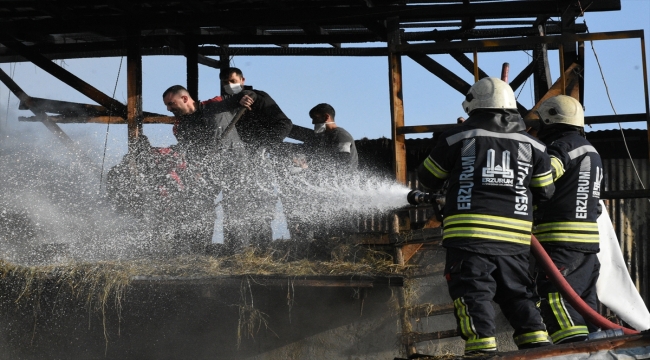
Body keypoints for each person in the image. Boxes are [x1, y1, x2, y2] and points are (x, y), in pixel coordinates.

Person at [415, 77, 555, 354]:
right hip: (515, 240)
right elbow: (546, 192)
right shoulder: (535, 146)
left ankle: (482, 353)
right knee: (518, 294)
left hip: (469, 239)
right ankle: (540, 351)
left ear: (473, 105)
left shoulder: (457, 137)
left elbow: (428, 179)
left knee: (473, 294)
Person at [532, 95, 604, 344]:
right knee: (585, 304)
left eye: (541, 122)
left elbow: (544, 176)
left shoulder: (562, 148)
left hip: (560, 242)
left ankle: (572, 350)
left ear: (551, 120)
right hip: (587, 245)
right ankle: (596, 348)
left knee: (556, 297)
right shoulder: (590, 151)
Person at [215, 68, 294, 250]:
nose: (229, 85)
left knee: (262, 205)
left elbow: (285, 123)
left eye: (232, 81)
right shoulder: (225, 103)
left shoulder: (257, 98)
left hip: (258, 161)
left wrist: (265, 146)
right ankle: (236, 251)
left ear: (242, 79)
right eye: (225, 82)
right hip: (235, 164)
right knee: (233, 207)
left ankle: (262, 250)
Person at [161, 85, 244, 253]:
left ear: (184, 99)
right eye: (167, 106)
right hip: (206, 170)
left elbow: (248, 95)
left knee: (236, 207)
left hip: (234, 165)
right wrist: (195, 171)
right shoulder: (180, 127)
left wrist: (248, 97)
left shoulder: (215, 104)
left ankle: (238, 252)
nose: (169, 109)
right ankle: (198, 250)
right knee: (200, 205)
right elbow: (189, 153)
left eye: (171, 103)